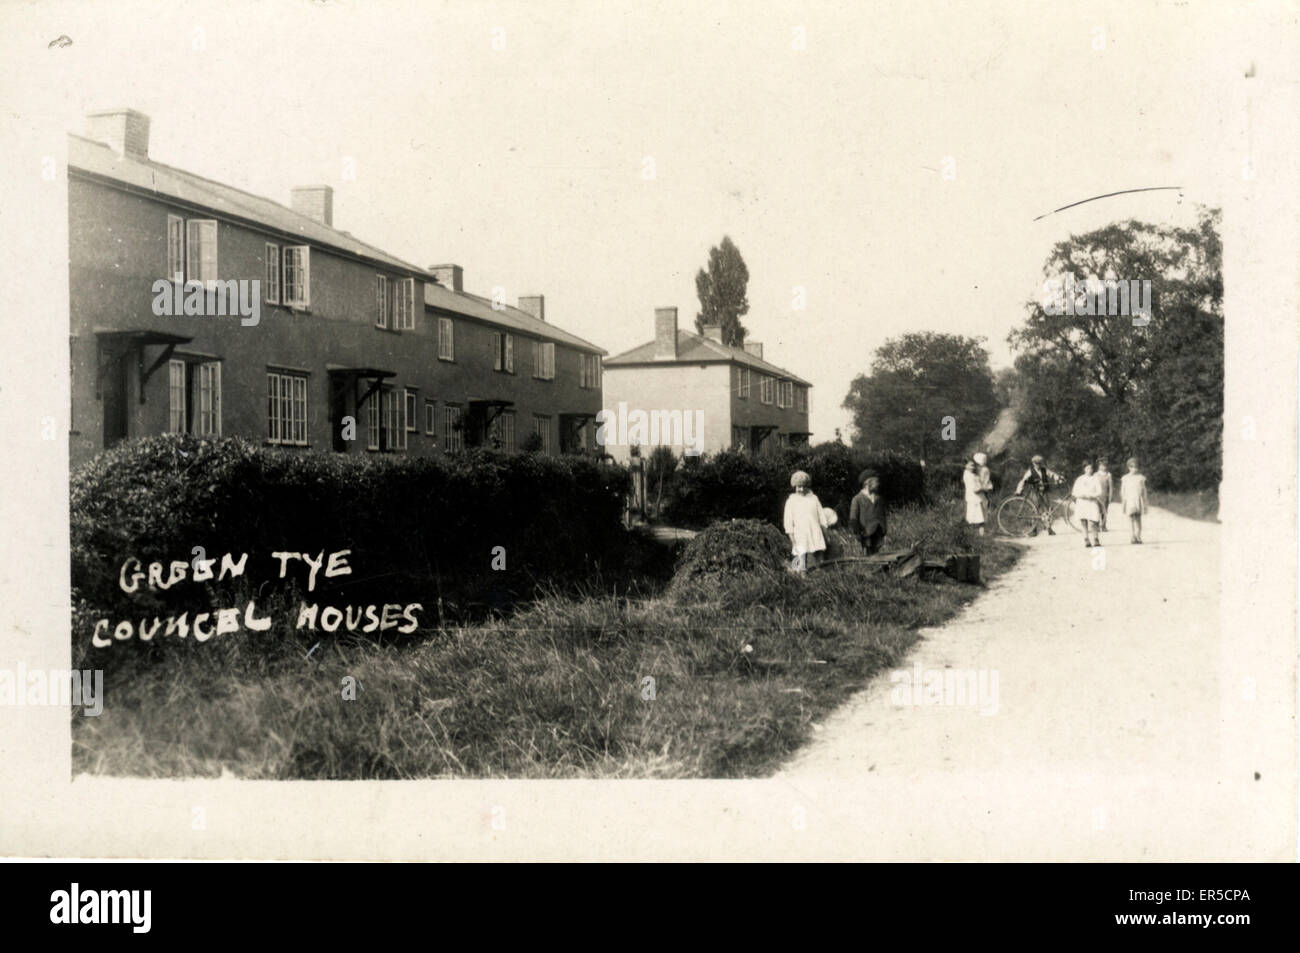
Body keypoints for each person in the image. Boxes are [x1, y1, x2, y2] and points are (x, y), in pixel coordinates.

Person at [784, 470, 831, 570]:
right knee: (799, 559)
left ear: (807, 486)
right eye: (798, 487)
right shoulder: (791, 501)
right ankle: (798, 579)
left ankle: (822, 577)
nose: (801, 489)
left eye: (803, 486)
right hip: (800, 533)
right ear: (794, 487)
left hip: (815, 531)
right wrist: (792, 539)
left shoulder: (813, 498)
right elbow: (788, 522)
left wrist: (825, 533)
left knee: (820, 557)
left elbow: (821, 517)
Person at [1015, 454, 1064, 535]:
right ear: (1033, 463)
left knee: (1047, 510)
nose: (1038, 465)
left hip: (1044, 492)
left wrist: (1059, 478)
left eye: (1040, 463)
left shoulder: (1044, 470)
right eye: (1036, 463)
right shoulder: (1030, 471)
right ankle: (1033, 530)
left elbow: (1052, 475)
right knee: (1035, 510)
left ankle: (1049, 528)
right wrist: (1019, 490)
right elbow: (1023, 480)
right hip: (1035, 492)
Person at [849, 469, 888, 554]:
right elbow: (853, 518)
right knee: (868, 554)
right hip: (866, 532)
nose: (878, 484)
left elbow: (883, 515)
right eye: (876, 482)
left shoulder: (879, 498)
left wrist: (884, 530)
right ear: (867, 483)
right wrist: (857, 532)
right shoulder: (857, 499)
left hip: (878, 531)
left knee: (878, 553)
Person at [1071, 461, 1104, 547]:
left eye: (1091, 468)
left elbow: (1099, 491)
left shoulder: (1095, 479)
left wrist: (1092, 496)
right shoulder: (1080, 479)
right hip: (1082, 502)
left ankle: (1096, 538)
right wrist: (1082, 495)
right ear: (1084, 469)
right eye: (1087, 468)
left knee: (1094, 521)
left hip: (1092, 501)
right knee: (1083, 521)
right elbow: (1074, 492)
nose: (1089, 470)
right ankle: (1086, 539)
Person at [1120, 457, 1148, 544]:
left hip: (1138, 499)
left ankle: (1138, 535)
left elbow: (1144, 490)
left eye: (1136, 467)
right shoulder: (1125, 478)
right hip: (1129, 500)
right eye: (1132, 467)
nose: (1134, 469)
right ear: (1129, 467)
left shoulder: (1140, 478)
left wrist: (1145, 501)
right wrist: (1124, 500)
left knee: (1138, 518)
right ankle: (1132, 536)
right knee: (1131, 518)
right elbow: (1123, 490)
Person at [963, 459, 988, 536]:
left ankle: (978, 535)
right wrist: (984, 488)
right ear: (966, 466)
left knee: (976, 518)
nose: (972, 467)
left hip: (976, 499)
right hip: (974, 499)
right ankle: (979, 536)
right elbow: (975, 489)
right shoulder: (968, 475)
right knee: (979, 519)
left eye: (973, 465)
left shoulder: (971, 474)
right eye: (970, 465)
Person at [1096, 458, 1114, 532]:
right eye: (1102, 466)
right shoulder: (1095, 475)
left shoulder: (1108, 475)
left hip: (1105, 496)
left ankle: (1103, 526)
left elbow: (1111, 487)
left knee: (1104, 511)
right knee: (1096, 511)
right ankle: (1096, 526)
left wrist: (1110, 496)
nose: (1104, 467)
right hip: (1097, 496)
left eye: (1105, 466)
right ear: (1099, 466)